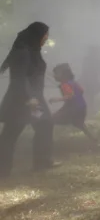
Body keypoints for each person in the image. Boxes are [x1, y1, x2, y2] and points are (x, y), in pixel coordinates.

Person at [0, 22, 55, 177]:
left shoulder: (32, 51)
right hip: (23, 100)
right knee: (11, 134)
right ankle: (3, 170)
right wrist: (30, 98)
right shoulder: (22, 52)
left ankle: (41, 162)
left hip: (31, 98)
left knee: (43, 124)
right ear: (36, 35)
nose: (46, 38)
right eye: (45, 35)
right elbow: (19, 78)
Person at [49, 63, 98, 146]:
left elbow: (71, 95)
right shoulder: (73, 82)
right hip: (82, 108)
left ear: (64, 75)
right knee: (79, 124)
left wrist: (57, 99)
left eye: (56, 73)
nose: (54, 76)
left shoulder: (64, 85)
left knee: (50, 120)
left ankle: (48, 141)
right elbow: (81, 90)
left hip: (72, 109)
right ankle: (95, 140)